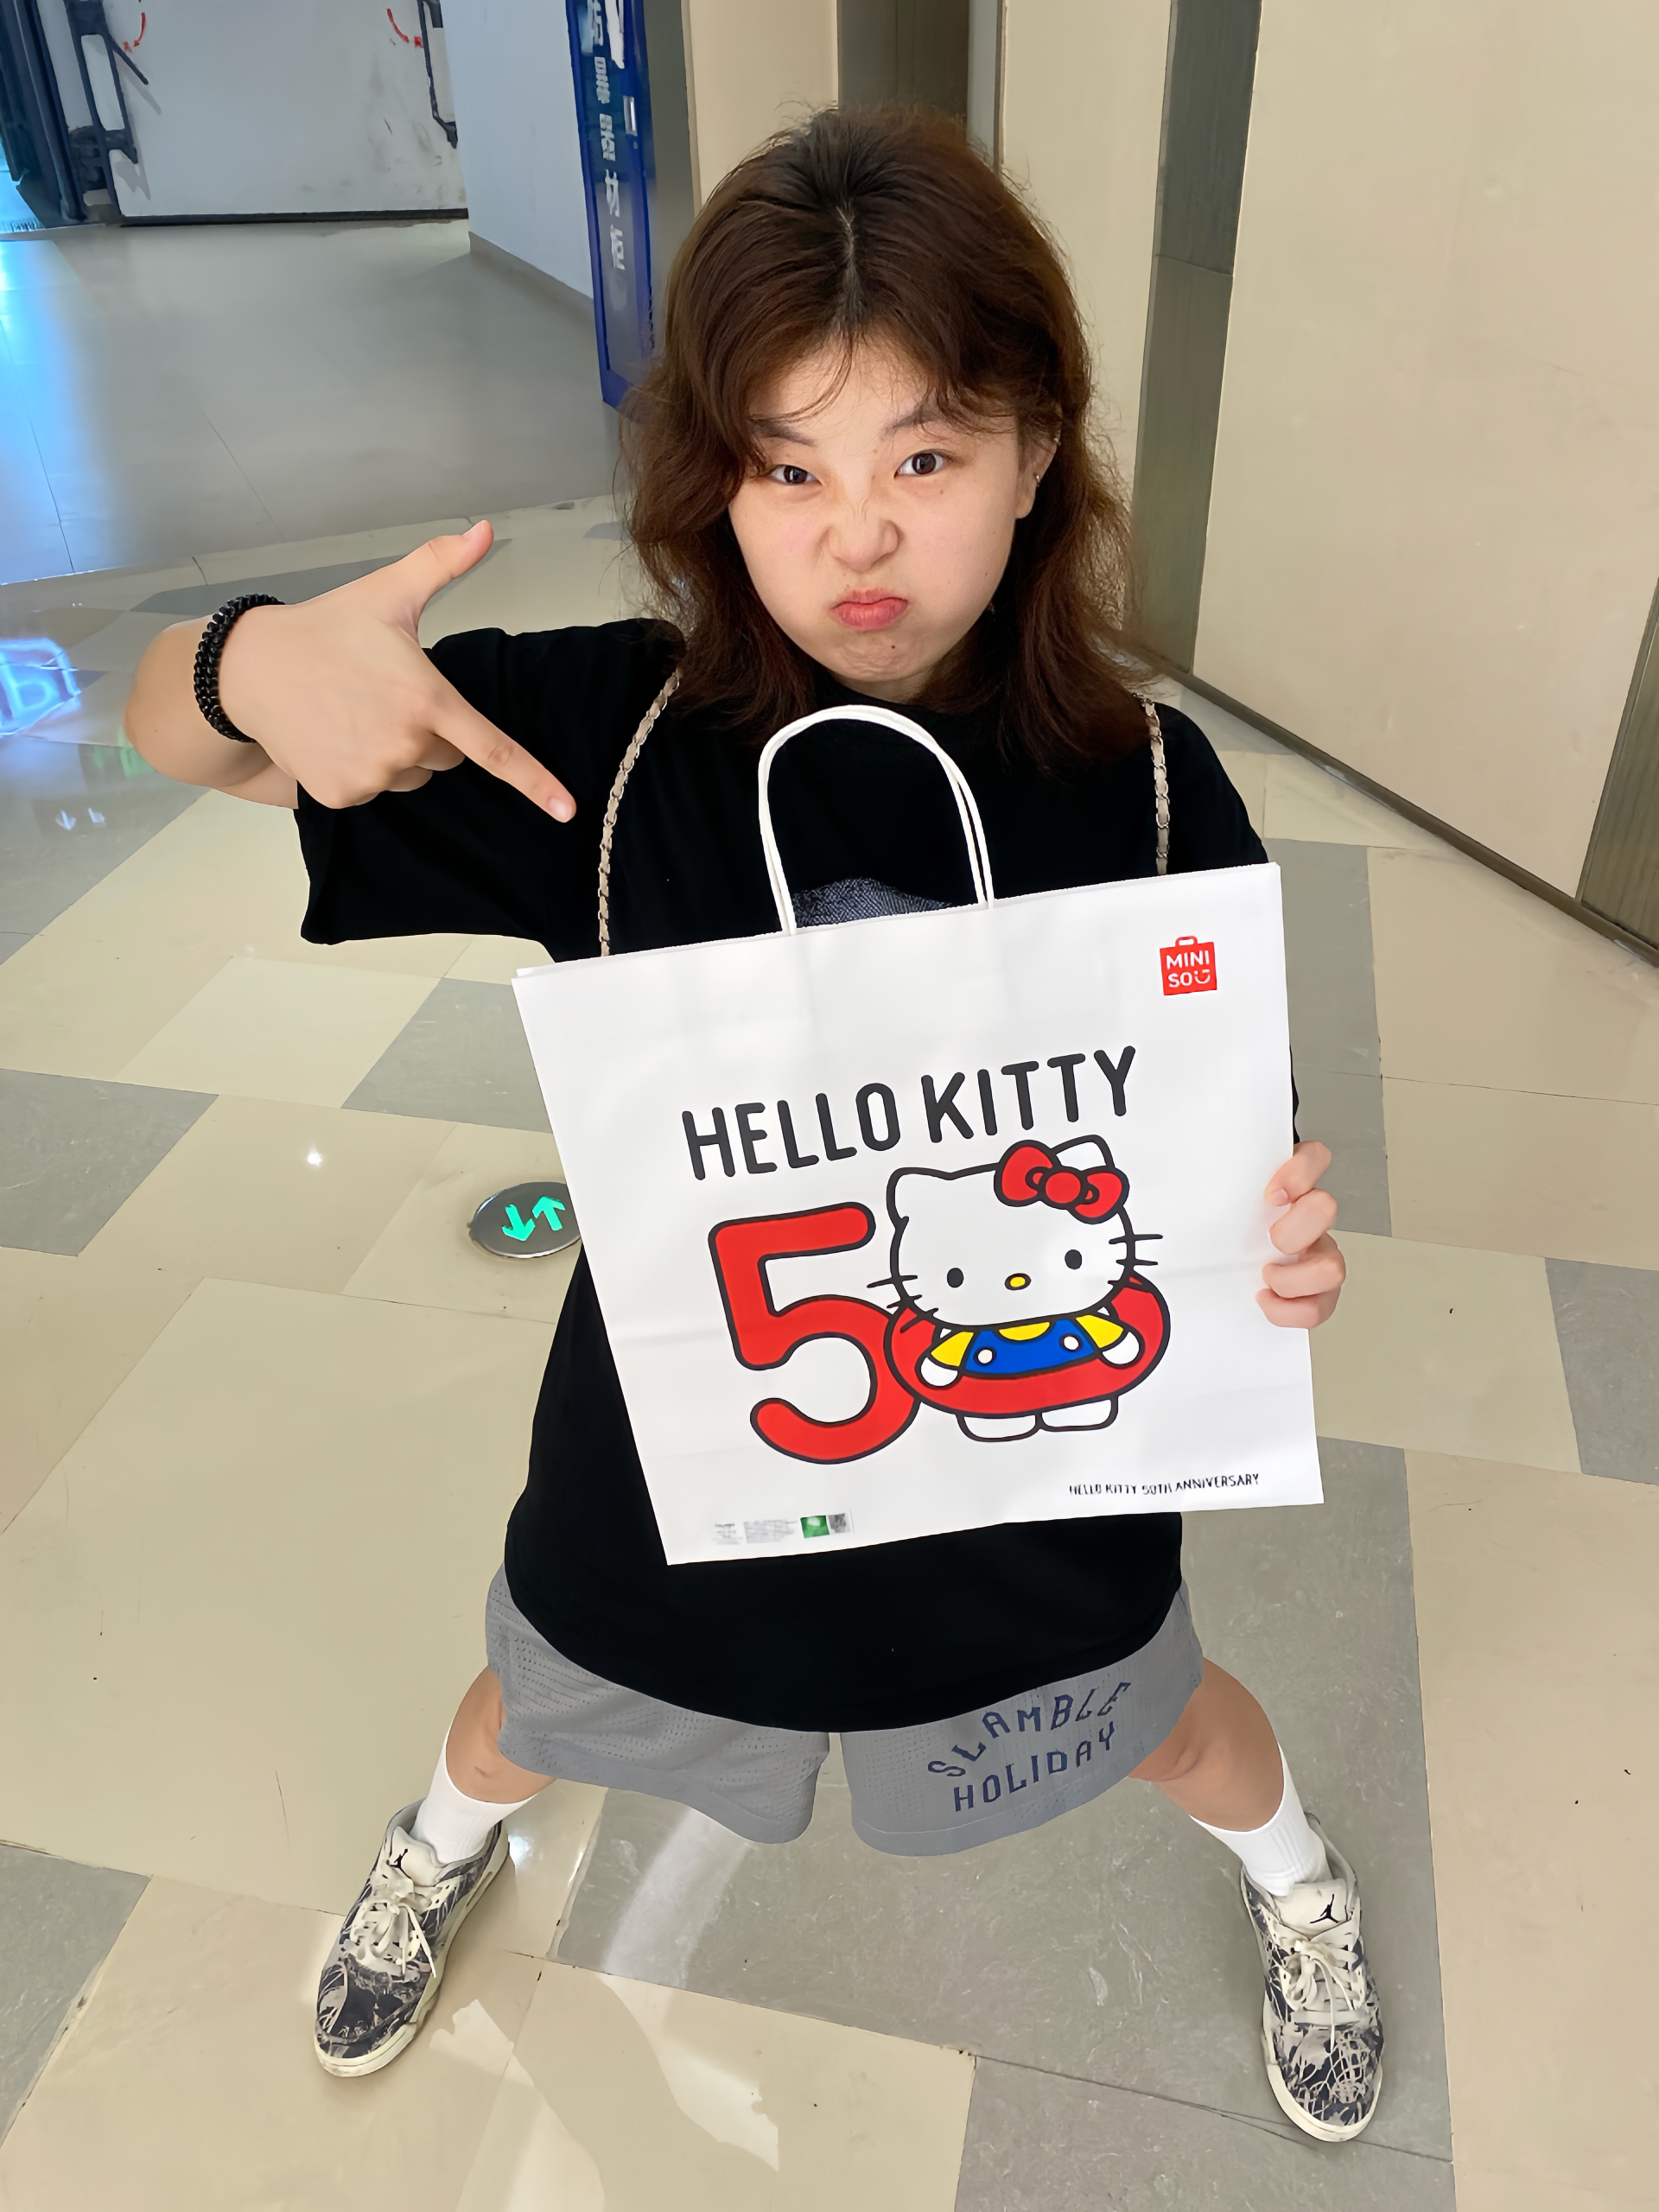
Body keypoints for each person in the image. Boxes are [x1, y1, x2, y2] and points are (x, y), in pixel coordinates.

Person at [125, 106, 1378, 2143]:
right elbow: (184, 738)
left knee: (1166, 1721)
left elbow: (1232, 1150)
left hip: (1033, 1475)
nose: (856, 537)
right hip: (683, 1448)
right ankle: (441, 1839)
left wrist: (1283, 1245)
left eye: (924, 459)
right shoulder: (610, 743)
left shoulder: (1149, 785)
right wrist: (242, 660)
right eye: (789, 466)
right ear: (715, 477)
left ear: (1039, 451)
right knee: (534, 1705)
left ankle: (1298, 1879)